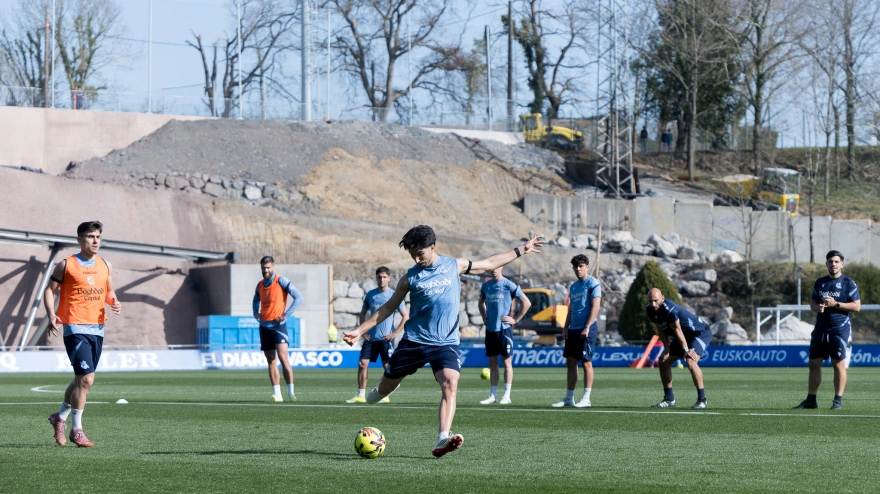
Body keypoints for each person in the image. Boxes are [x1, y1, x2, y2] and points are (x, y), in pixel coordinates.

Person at [343, 225, 544, 458]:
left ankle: (442, 439)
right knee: (384, 389)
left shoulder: (453, 265)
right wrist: (359, 330)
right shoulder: (409, 277)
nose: (416, 259)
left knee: (450, 382)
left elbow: (490, 263)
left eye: (420, 254)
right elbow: (388, 308)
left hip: (445, 343)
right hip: (414, 342)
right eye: (412, 255)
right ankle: (377, 392)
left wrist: (522, 249)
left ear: (432, 247)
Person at [46, 221, 122, 448]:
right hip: (75, 327)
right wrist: (52, 314)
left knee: (81, 380)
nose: (95, 241)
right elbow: (49, 291)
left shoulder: (105, 265)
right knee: (87, 379)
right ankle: (76, 430)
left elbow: (108, 291)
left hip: (98, 328)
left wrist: (114, 302)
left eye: (98, 236)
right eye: (90, 236)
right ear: (80, 239)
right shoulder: (66, 265)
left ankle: (59, 417)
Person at [793, 250, 860, 410]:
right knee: (813, 363)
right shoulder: (820, 283)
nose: (833, 264)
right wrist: (818, 308)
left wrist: (835, 304)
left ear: (842, 264)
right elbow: (813, 303)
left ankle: (837, 401)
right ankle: (811, 400)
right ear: (827, 264)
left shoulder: (848, 283)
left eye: (836, 261)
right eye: (830, 261)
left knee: (838, 364)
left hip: (839, 329)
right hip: (820, 328)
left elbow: (856, 306)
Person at [345, 267, 409, 403]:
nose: (382, 280)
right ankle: (360, 395)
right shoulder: (370, 295)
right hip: (370, 338)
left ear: (389, 278)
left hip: (386, 339)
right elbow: (362, 313)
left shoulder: (394, 295)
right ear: (376, 278)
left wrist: (395, 333)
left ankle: (384, 395)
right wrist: (363, 331)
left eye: (384, 277)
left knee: (387, 366)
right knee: (362, 364)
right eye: (379, 277)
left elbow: (405, 316)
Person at [645, 288, 712, 409]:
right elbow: (661, 329)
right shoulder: (649, 310)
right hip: (684, 336)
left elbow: (677, 330)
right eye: (650, 301)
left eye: (655, 301)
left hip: (699, 333)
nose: (653, 304)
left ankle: (702, 399)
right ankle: (669, 399)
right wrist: (666, 350)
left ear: (662, 298)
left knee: (690, 360)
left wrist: (686, 350)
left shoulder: (669, 310)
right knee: (663, 361)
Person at [552, 254, 602, 408]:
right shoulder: (573, 287)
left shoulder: (593, 283)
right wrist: (566, 327)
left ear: (587, 266)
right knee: (571, 363)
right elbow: (571, 308)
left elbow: (595, 306)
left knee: (586, 362)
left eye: (581, 266)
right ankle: (569, 398)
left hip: (587, 328)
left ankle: (586, 398)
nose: (578, 269)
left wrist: (587, 326)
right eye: (575, 267)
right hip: (573, 329)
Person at [253, 256, 303, 402]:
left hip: (278, 326)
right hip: (264, 326)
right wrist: (255, 312)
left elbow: (298, 297)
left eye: (268, 267)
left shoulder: (281, 281)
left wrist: (285, 314)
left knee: (283, 357)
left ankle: (291, 392)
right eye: (263, 268)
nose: (265, 270)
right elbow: (255, 300)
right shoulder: (260, 285)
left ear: (273, 267)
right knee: (270, 360)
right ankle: (277, 394)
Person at [478, 266, 531, 405]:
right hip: (490, 330)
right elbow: (480, 303)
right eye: (492, 267)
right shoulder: (486, 286)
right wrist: (484, 317)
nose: (494, 269)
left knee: (507, 362)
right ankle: (493, 395)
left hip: (504, 329)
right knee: (492, 362)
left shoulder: (508, 285)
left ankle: (506, 396)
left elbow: (526, 302)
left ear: (501, 267)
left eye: (497, 266)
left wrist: (516, 320)